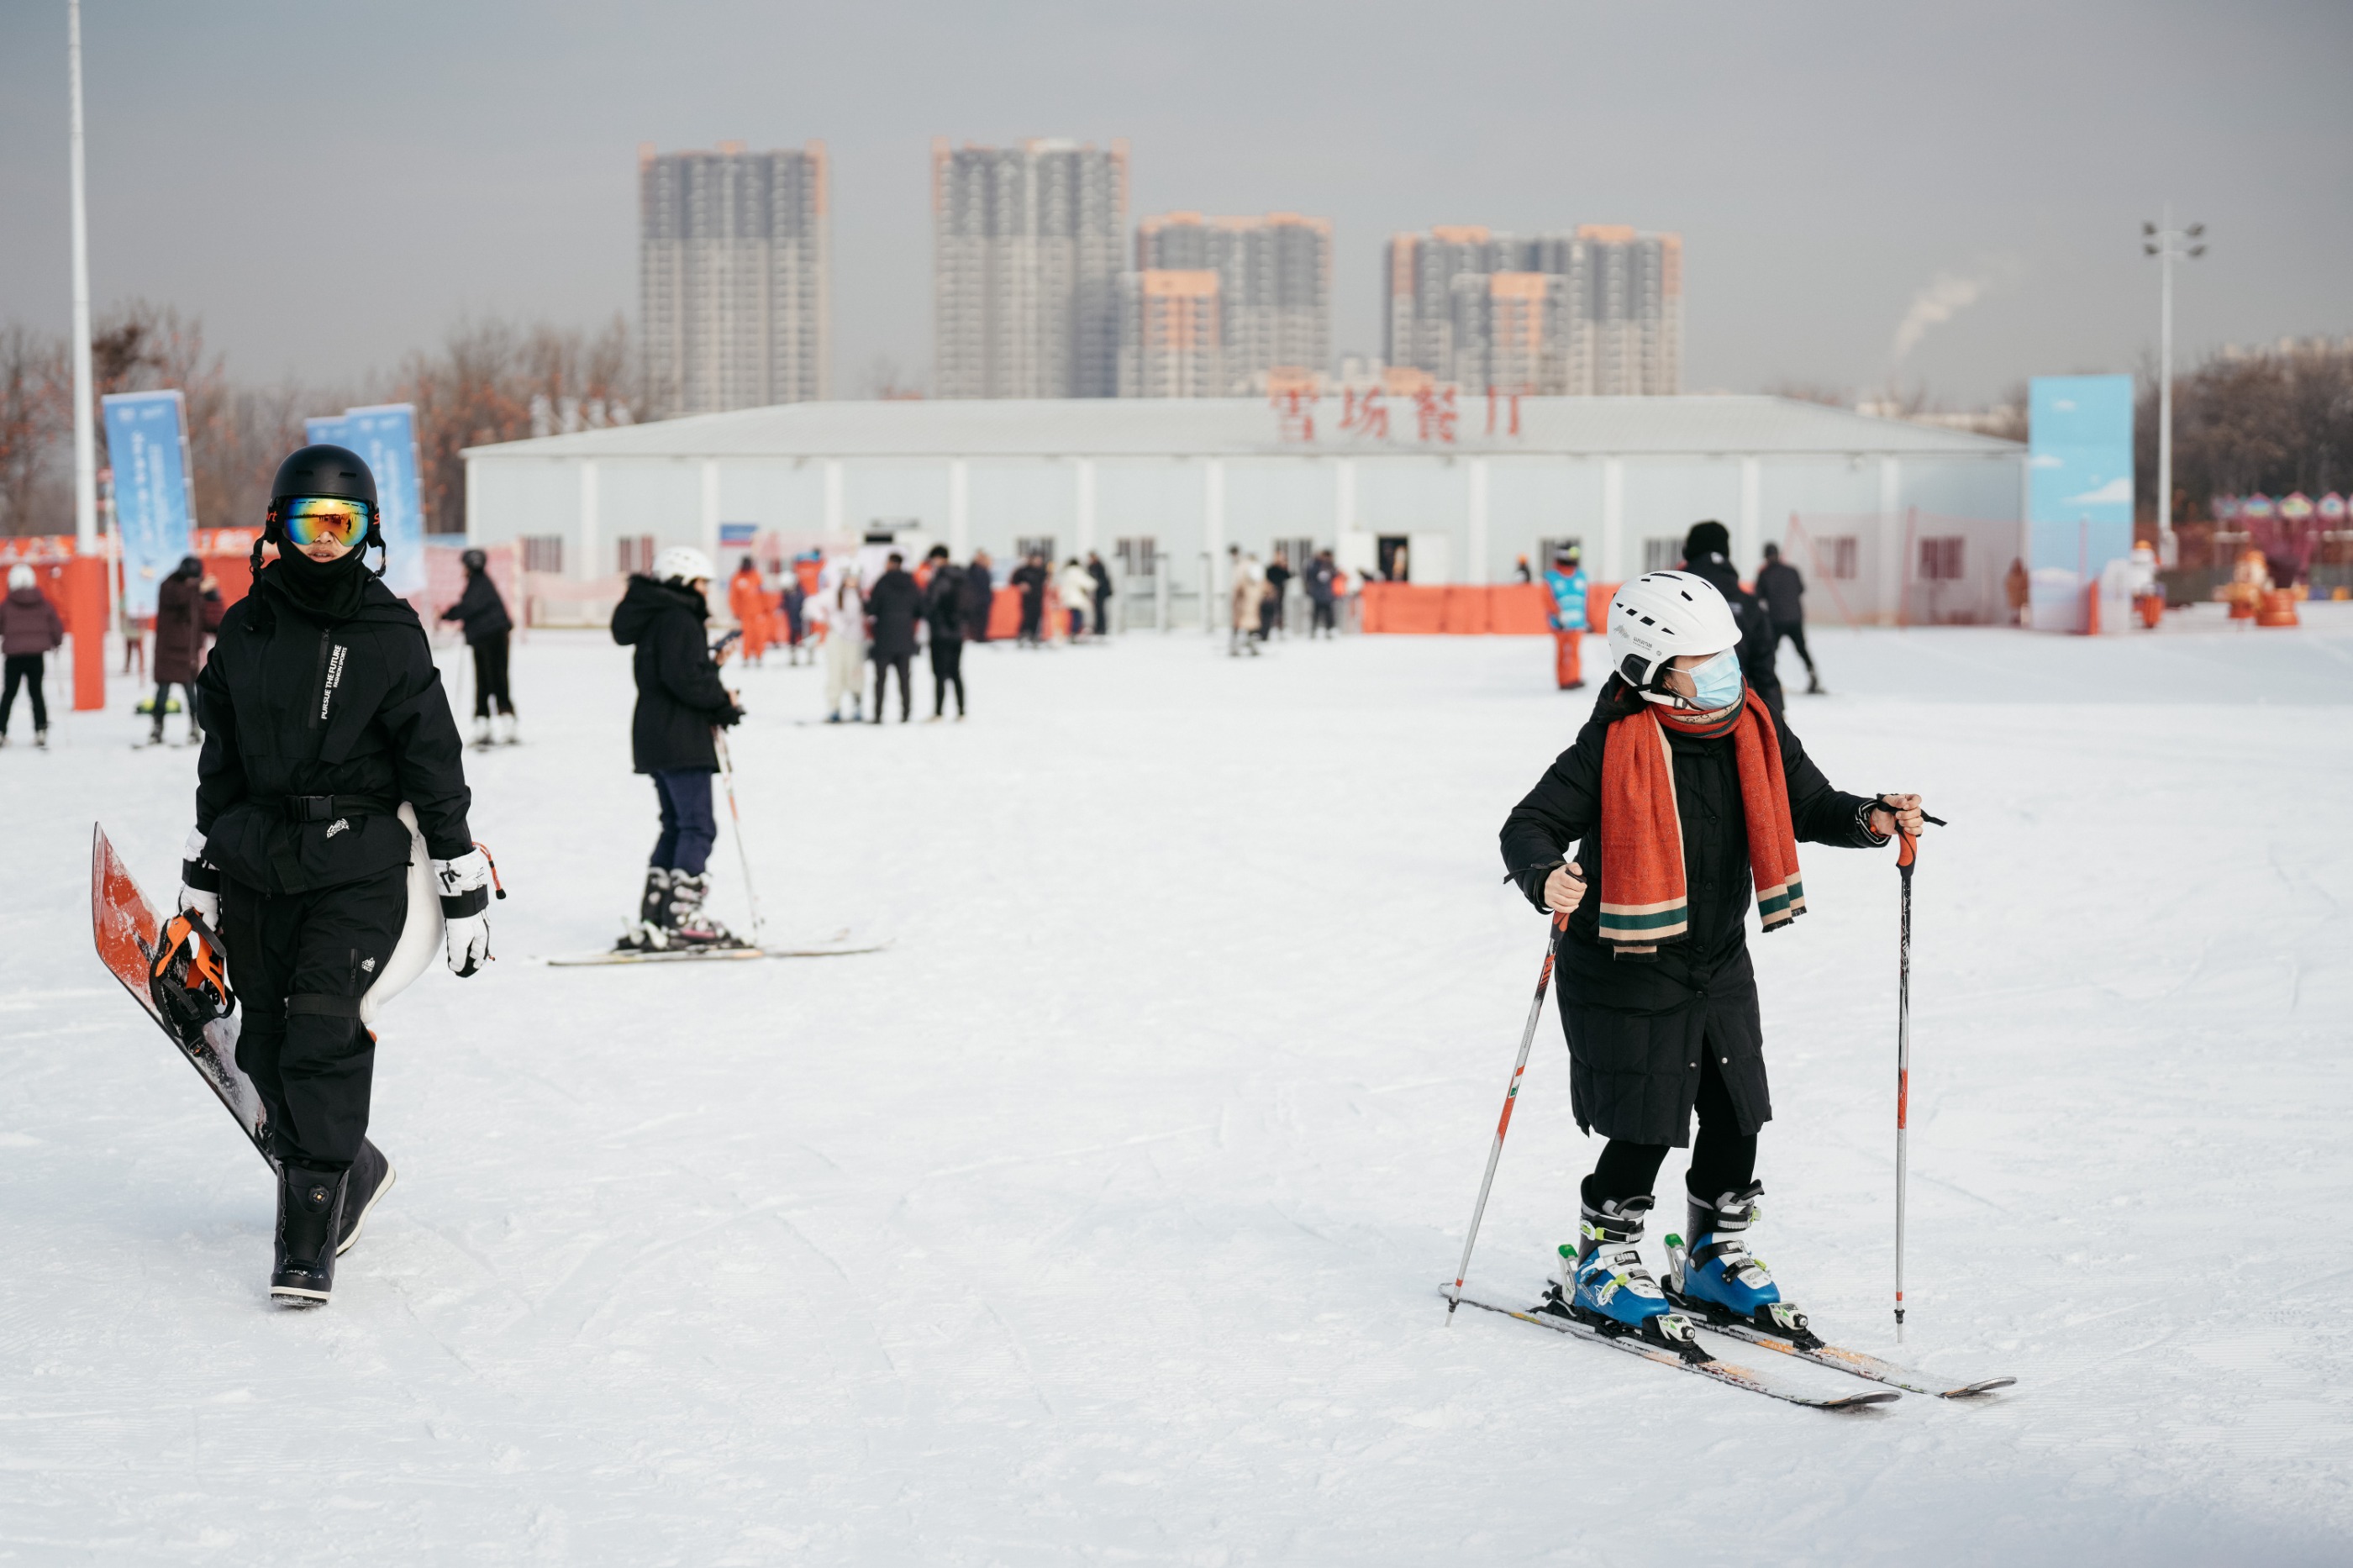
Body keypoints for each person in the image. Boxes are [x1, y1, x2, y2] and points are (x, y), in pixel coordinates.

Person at [1497, 571, 1925, 1351]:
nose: (1730, 673)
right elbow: (1528, 824)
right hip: (1625, 956)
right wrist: (1543, 874)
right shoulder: (1612, 741)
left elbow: (1810, 804)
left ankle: (1711, 1256)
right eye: (1706, 664)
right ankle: (1606, 1257)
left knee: (1737, 1111)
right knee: (1646, 1120)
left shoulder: (1754, 727)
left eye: (1728, 654)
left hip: (1718, 956)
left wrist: (1870, 819)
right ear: (1650, 672)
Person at [181, 444, 489, 1305]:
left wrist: (462, 886)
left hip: (356, 863)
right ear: (277, 527)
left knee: (323, 1028)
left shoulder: (388, 632)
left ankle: (306, 1233)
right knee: (267, 1049)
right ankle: (353, 1162)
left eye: (343, 525)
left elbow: (433, 761)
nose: (325, 541)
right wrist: (205, 864)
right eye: (310, 523)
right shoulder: (245, 628)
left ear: (368, 534)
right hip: (256, 858)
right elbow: (223, 758)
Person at [611, 546, 747, 950]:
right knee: (697, 826)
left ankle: (657, 912)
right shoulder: (679, 619)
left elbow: (675, 670)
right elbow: (683, 680)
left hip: (658, 732)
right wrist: (723, 702)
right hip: (679, 734)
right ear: (685, 582)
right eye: (702, 582)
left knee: (676, 824)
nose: (706, 591)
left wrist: (711, 666)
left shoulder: (659, 617)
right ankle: (682, 917)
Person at [1679, 521, 1784, 718]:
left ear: (1690, 550)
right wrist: (1775, 718)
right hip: (1736, 713)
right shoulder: (1749, 604)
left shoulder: (1672, 596)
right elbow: (1764, 669)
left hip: (1677, 713)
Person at [440, 547, 518, 745]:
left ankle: (500, 724)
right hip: (490, 637)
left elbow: (468, 608)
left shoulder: (479, 584)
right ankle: (490, 723)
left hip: (488, 638)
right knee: (490, 680)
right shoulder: (481, 583)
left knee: (493, 680)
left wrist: (446, 615)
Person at [149, 555, 225, 746]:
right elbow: (178, 598)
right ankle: (157, 728)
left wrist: (214, 600)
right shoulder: (169, 586)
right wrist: (199, 588)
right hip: (168, 650)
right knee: (162, 693)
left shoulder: (195, 592)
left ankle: (195, 727)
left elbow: (206, 620)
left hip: (189, 653)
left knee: (192, 694)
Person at [1, 564, 65, 749]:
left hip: (13, 656)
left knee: (9, 693)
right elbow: (55, 626)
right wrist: (56, 641)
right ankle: (41, 729)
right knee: (36, 693)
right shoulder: (44, 604)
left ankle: (1, 730)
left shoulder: (6, 605)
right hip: (36, 656)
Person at [1752, 542, 1820, 697]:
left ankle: (1768, 681)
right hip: (1795, 617)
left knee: (1771, 652)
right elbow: (1801, 589)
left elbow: (1758, 596)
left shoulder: (1765, 574)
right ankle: (1812, 674)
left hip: (1776, 620)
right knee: (1801, 648)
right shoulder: (1792, 571)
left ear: (1765, 556)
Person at [866, 551, 921, 722]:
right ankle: (906, 714)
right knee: (904, 679)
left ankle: (878, 714)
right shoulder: (911, 583)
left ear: (890, 563)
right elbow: (920, 609)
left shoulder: (882, 582)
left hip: (884, 637)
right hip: (905, 637)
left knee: (880, 679)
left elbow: (872, 609)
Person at [815, 561, 866, 722]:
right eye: (850, 577)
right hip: (837, 639)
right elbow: (812, 605)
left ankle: (857, 706)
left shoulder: (862, 596)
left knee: (855, 673)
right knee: (836, 673)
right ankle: (834, 707)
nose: (853, 581)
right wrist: (827, 619)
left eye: (856, 578)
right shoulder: (832, 595)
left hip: (856, 640)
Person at [923, 545, 968, 720]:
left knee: (939, 674)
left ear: (938, 558)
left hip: (940, 632)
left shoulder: (940, 579)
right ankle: (961, 710)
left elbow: (931, 604)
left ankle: (938, 712)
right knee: (956, 672)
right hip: (958, 632)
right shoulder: (962, 577)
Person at [1542, 544, 1589, 691]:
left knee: (1575, 652)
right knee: (1563, 653)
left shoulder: (1581, 576)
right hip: (1560, 623)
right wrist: (1557, 615)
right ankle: (1564, 681)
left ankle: (1574, 678)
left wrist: (1589, 619)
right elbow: (1548, 599)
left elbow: (1587, 599)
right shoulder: (1551, 578)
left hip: (1578, 623)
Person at [727, 556, 771, 668]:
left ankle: (759, 656)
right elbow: (734, 597)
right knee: (747, 637)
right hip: (745, 614)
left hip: (758, 613)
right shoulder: (737, 578)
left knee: (759, 636)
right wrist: (736, 612)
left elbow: (763, 593)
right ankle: (746, 657)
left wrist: (767, 608)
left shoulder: (757, 576)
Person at [1227, 546, 1264, 658]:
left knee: (1245, 624)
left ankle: (1244, 646)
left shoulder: (1245, 566)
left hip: (1246, 600)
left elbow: (1245, 583)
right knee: (1242, 624)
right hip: (1246, 600)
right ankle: (1240, 646)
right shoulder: (1241, 566)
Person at [1011, 552, 1049, 646]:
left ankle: (1034, 636)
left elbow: (1046, 581)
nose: (1038, 561)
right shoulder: (1023, 570)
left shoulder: (1041, 571)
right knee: (1027, 617)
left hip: (1038, 598)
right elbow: (1013, 580)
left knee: (1036, 618)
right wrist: (1021, 585)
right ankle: (1023, 635)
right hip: (1027, 599)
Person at [1304, 549, 1339, 639]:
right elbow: (1309, 576)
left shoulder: (1329, 565)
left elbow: (1335, 574)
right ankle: (1313, 630)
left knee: (1329, 615)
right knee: (1316, 614)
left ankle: (1329, 630)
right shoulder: (1314, 565)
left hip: (1327, 595)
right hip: (1317, 594)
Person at [1058, 556, 1095, 641]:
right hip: (1076, 599)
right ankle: (1074, 633)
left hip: (1067, 599)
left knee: (1069, 617)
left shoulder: (1065, 573)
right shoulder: (1077, 572)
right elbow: (1090, 584)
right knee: (1077, 617)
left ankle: (1069, 632)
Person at [965, 549, 995, 645]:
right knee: (976, 619)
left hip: (984, 598)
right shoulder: (973, 570)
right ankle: (977, 636)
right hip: (976, 599)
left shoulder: (984, 570)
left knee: (983, 619)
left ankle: (981, 636)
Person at [1265, 549, 1293, 638]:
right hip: (1272, 593)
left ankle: (1280, 627)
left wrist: (1285, 566)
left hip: (1281, 593)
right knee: (1272, 611)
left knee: (1280, 611)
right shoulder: (1271, 568)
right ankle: (1271, 627)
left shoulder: (1282, 568)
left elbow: (1288, 576)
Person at [1087, 550, 1113, 639]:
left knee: (1100, 610)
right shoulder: (1093, 566)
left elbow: (1101, 579)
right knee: (1097, 610)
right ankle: (1099, 627)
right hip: (1096, 592)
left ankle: (1102, 628)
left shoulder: (1099, 566)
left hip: (1101, 592)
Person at [2004, 557, 2031, 628]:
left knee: (2022, 615)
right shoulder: (2011, 578)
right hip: (2016, 604)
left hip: (2022, 603)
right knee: (2017, 613)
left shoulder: (2023, 576)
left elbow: (2026, 584)